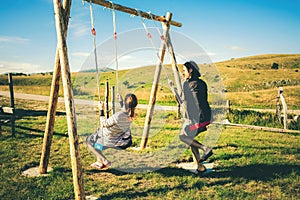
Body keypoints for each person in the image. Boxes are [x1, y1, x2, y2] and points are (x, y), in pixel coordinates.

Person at [173, 61, 213, 173]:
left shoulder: (191, 84)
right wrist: (175, 90)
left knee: (183, 136)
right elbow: (184, 101)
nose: (182, 72)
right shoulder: (200, 83)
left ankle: (205, 148)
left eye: (184, 70)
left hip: (197, 119)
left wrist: (197, 121)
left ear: (190, 70)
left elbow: (197, 102)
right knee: (190, 139)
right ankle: (200, 166)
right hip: (203, 117)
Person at [86, 93, 138, 170]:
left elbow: (103, 124)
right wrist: (120, 101)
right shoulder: (130, 115)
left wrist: (101, 109)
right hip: (118, 140)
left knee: (90, 142)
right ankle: (99, 162)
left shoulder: (117, 116)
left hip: (109, 141)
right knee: (97, 139)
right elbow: (124, 109)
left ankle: (105, 161)